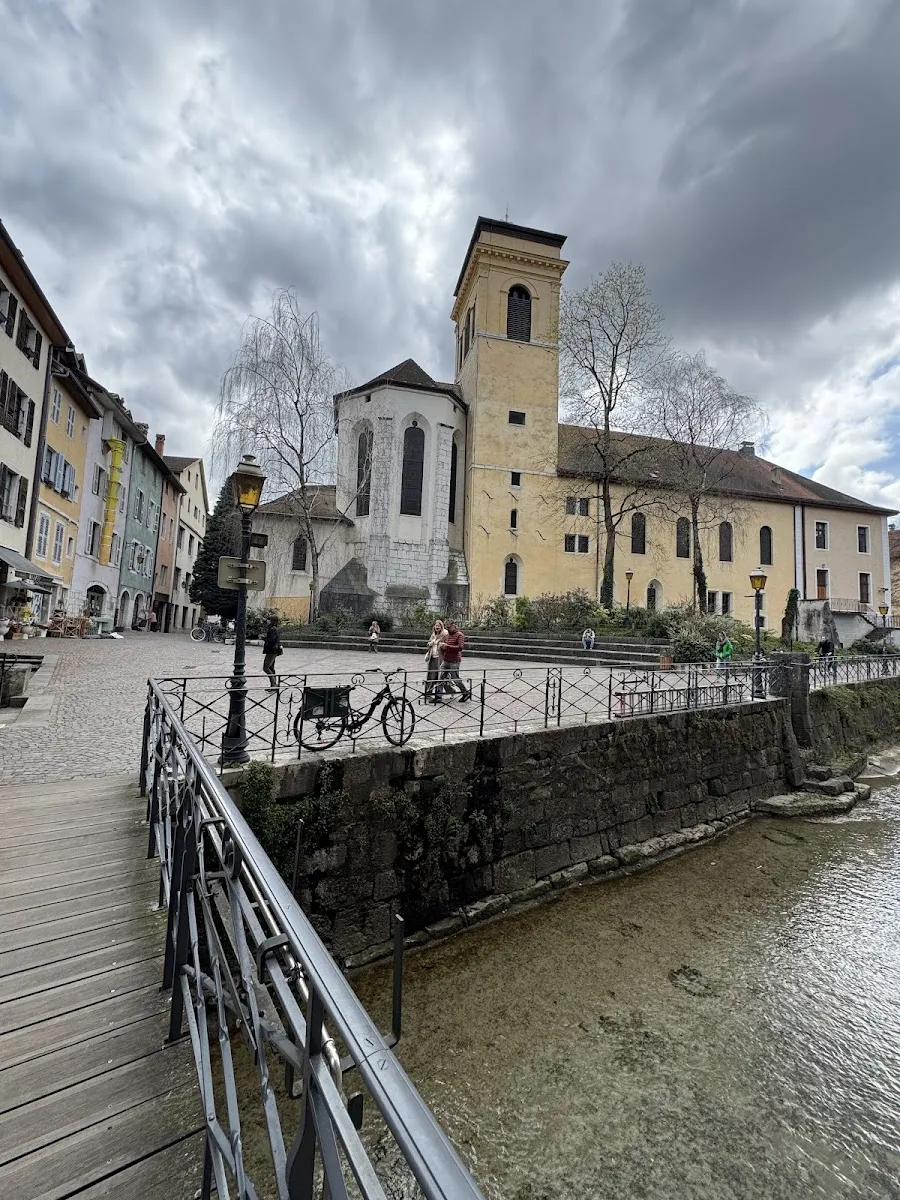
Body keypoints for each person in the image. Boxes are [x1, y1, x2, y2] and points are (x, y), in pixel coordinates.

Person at [438, 620, 470, 701]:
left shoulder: (460, 635)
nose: (448, 629)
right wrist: (442, 647)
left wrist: (447, 646)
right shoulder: (447, 635)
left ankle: (465, 693)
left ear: (454, 626)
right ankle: (438, 696)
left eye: (449, 627)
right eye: (447, 627)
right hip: (446, 660)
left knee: (455, 678)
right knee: (440, 677)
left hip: (454, 661)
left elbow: (460, 647)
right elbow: (445, 645)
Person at [424, 619, 445, 702]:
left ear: (441, 627)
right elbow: (428, 644)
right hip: (432, 658)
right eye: (436, 626)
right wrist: (430, 643)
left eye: (438, 626)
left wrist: (441, 644)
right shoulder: (433, 635)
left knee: (439, 676)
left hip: (439, 658)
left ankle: (441, 693)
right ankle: (428, 692)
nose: (437, 627)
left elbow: (445, 646)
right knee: (430, 676)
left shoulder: (444, 635)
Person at [262, 617, 283, 688]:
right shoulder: (273, 628)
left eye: (269, 619)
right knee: (271, 667)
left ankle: (273, 684)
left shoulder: (272, 629)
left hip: (271, 651)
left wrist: (264, 638)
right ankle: (273, 685)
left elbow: (272, 640)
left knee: (266, 667)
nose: (267, 621)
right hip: (274, 650)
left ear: (272, 621)